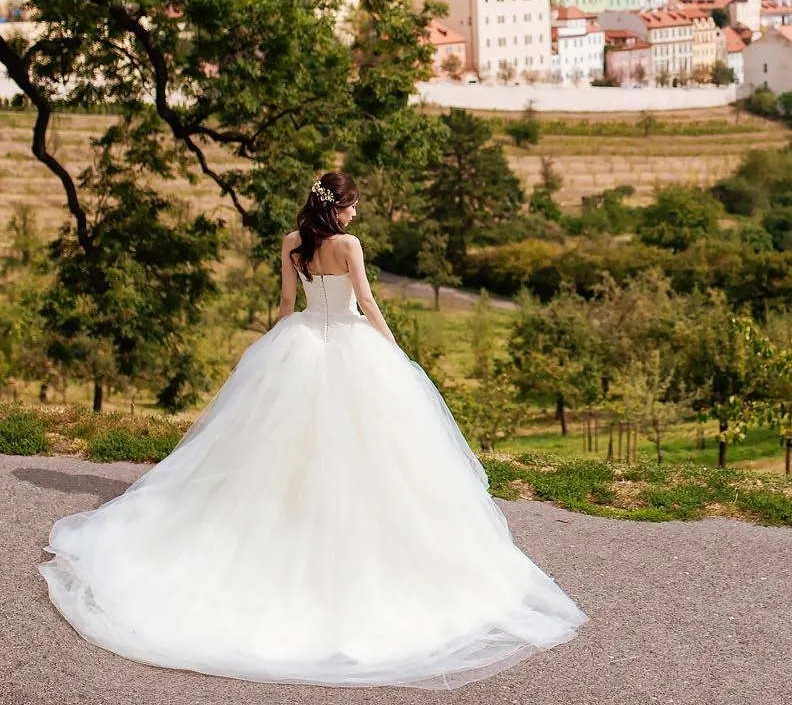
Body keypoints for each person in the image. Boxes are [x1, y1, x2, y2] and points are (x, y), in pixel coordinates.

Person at [38, 171, 589, 690]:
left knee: (276, 444)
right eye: (352, 206)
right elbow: (367, 301)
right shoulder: (349, 246)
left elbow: (284, 303)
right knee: (371, 450)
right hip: (351, 342)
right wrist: (395, 353)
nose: (355, 214)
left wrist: (267, 355)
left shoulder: (290, 242)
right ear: (340, 207)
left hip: (300, 341)